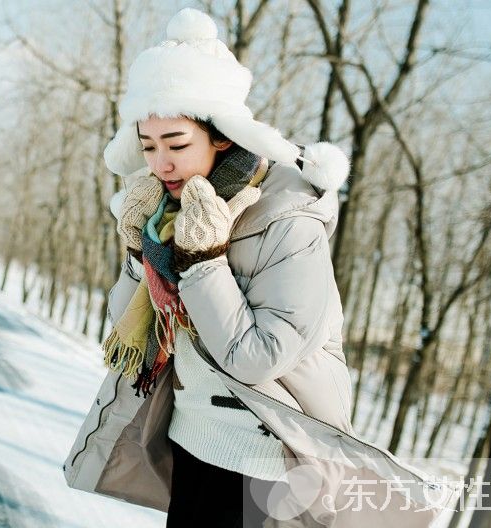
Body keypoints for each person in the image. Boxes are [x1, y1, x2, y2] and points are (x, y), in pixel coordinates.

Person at [99, 7, 353, 526]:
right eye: (148, 146)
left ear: (223, 137)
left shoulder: (288, 221)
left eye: (176, 144)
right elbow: (131, 339)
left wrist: (204, 259)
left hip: (268, 463)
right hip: (192, 444)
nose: (160, 163)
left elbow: (259, 358)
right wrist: (136, 252)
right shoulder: (164, 222)